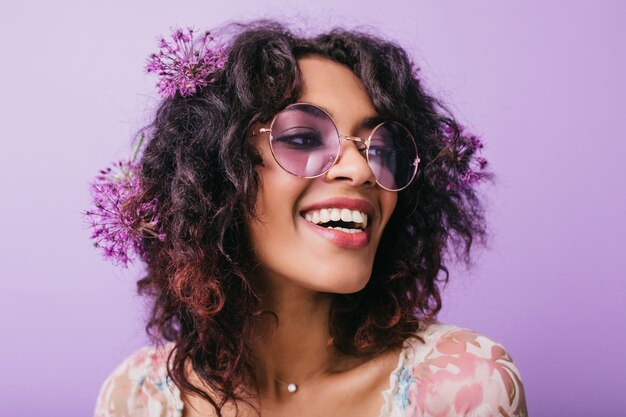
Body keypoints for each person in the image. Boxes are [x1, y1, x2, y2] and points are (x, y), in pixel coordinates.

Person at [90, 19, 527, 417]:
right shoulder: (138, 398)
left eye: (379, 147)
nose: (359, 170)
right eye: (302, 137)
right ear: (214, 174)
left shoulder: (464, 387)